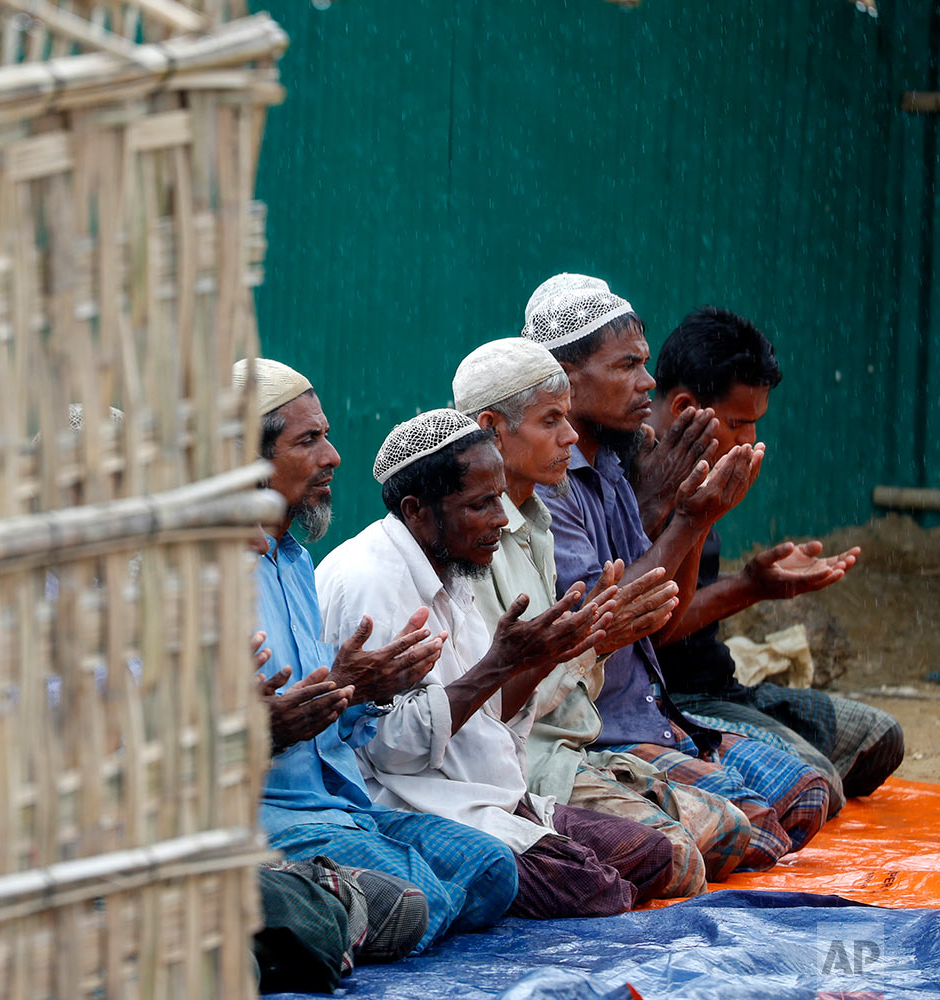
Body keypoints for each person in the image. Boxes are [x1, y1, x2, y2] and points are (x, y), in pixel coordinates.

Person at [521, 274, 830, 870]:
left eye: (644, 363)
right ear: (563, 375)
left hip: (657, 713)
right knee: (757, 832)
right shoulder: (548, 485)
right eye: (627, 367)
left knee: (806, 795)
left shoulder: (616, 457)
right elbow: (608, 621)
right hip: (601, 731)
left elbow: (657, 626)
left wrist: (697, 513)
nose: (647, 382)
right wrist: (689, 518)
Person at [314, 408, 674, 917]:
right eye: (481, 504)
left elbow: (488, 714)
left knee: (653, 856)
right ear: (417, 510)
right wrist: (499, 665)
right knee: (598, 889)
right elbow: (393, 750)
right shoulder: (367, 581)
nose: (501, 520)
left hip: (494, 792)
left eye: (499, 501)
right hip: (421, 804)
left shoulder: (453, 566)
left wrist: (552, 653)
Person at [233, 358, 518, 953]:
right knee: (423, 896)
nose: (333, 456)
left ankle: (336, 914)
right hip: (269, 818)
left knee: (493, 871)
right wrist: (266, 729)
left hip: (340, 808)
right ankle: (303, 908)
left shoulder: (294, 563)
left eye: (326, 436)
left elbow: (333, 720)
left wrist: (360, 690)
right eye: (308, 440)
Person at [454, 337, 754, 895]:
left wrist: (593, 638)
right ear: (493, 428)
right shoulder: (471, 539)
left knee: (737, 832)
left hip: (572, 746)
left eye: (567, 420)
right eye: (551, 422)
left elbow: (636, 633)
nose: (570, 438)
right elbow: (487, 706)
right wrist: (588, 640)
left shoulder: (537, 519)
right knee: (681, 862)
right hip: (527, 763)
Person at [642, 307, 904, 803]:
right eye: (740, 423)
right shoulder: (638, 481)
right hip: (668, 700)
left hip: (721, 687)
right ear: (682, 408)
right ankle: (739, 775)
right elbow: (655, 631)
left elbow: (687, 601)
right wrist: (747, 584)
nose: (750, 440)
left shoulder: (705, 464)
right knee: (814, 782)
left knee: (880, 737)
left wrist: (756, 583)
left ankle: (754, 769)